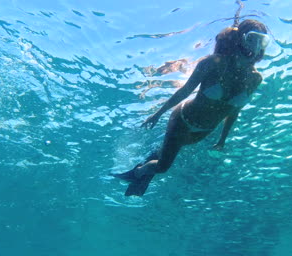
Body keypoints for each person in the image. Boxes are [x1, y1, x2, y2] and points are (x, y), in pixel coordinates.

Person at [113, 19, 270, 196]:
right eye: (252, 38)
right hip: (182, 121)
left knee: (166, 153)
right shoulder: (213, 62)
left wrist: (222, 139)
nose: (256, 46)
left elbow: (234, 111)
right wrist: (158, 114)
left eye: (262, 41)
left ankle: (152, 159)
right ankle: (137, 173)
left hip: (204, 131)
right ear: (240, 38)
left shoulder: (255, 78)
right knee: (164, 167)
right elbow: (185, 91)